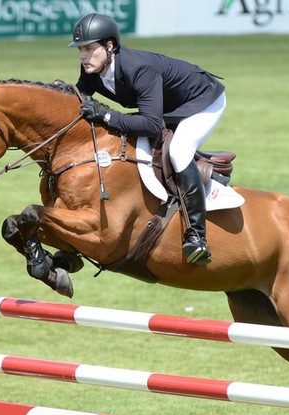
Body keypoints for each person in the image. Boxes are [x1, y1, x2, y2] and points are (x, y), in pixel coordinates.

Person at [69, 13, 226, 265]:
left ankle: (197, 235)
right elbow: (79, 97)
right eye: (80, 50)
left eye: (88, 49)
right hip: (165, 107)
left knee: (179, 150)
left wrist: (107, 115)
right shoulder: (92, 68)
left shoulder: (138, 69)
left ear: (109, 46)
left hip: (201, 101)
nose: (82, 56)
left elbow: (152, 125)